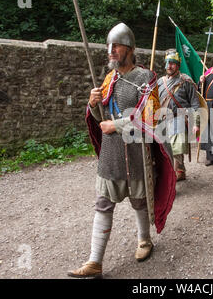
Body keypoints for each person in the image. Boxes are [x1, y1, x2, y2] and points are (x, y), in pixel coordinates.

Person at [68, 23, 176, 278]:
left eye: (116, 46)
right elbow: (99, 117)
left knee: (139, 201)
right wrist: (93, 104)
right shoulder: (109, 79)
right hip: (112, 154)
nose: (111, 50)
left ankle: (144, 240)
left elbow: (150, 118)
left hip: (136, 152)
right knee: (103, 203)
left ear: (130, 49)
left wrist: (115, 125)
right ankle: (95, 261)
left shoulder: (146, 77)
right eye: (109, 46)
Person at [157, 49, 201, 181]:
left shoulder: (186, 81)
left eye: (173, 63)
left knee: (176, 149)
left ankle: (172, 175)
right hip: (162, 119)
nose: (169, 66)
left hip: (179, 118)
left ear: (178, 65)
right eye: (167, 63)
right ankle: (179, 170)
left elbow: (195, 103)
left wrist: (196, 123)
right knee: (164, 148)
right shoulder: (160, 82)